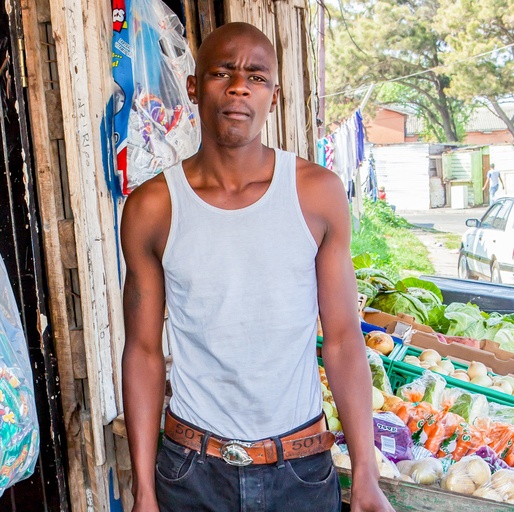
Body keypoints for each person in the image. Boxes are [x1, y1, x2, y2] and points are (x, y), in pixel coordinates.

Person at [120, 22, 393, 512]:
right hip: (191, 472)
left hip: (300, 469)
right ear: (193, 88)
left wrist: (366, 475)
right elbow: (141, 351)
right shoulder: (153, 208)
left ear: (275, 94)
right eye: (221, 72)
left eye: (256, 76)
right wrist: (143, 490)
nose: (238, 86)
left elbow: (344, 339)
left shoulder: (317, 194)